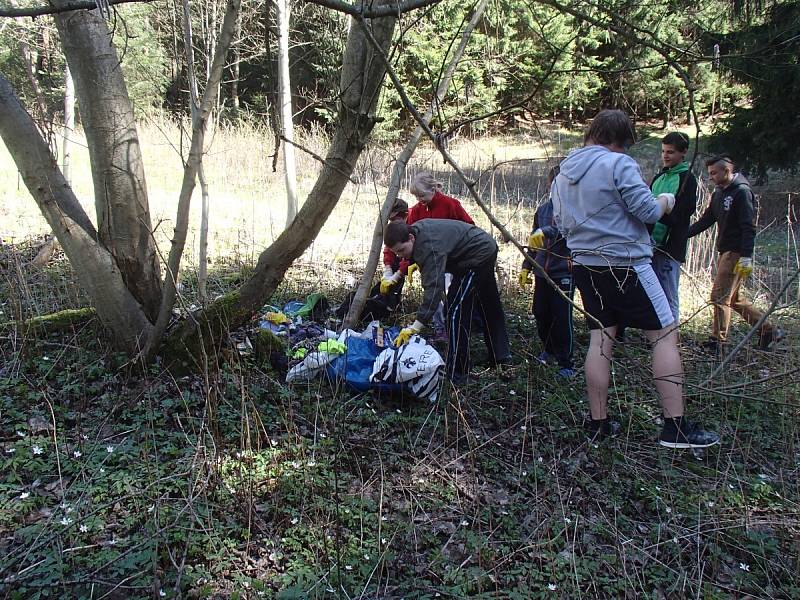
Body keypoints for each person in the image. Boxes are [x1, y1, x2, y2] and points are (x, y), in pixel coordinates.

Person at [551, 109, 719, 449]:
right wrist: (666, 200)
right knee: (664, 336)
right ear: (619, 141)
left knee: (601, 339)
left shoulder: (562, 174)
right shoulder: (618, 164)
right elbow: (647, 212)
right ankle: (675, 427)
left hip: (585, 265)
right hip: (626, 263)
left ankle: (598, 422)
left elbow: (559, 222)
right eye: (626, 144)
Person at [384, 219, 510, 384]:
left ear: (411, 238)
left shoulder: (428, 247)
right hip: (481, 246)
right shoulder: (417, 231)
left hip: (477, 256)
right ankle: (500, 356)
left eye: (402, 250)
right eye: (397, 253)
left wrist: (416, 326)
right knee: (488, 304)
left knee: (455, 311)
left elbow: (434, 288)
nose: (401, 256)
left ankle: (458, 371)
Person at [687, 155, 783, 352]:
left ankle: (718, 342)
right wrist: (681, 235)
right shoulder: (719, 193)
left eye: (714, 173)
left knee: (719, 297)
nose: (711, 177)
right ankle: (768, 330)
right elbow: (706, 220)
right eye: (709, 173)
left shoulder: (741, 192)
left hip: (736, 252)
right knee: (734, 299)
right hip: (724, 251)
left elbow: (749, 227)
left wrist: (746, 256)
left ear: (727, 171)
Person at [381, 172, 475, 339]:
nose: (420, 200)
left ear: (433, 189)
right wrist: (395, 273)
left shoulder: (450, 204)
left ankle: (460, 329)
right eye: (416, 197)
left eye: (422, 195)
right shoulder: (416, 211)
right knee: (433, 293)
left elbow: (469, 229)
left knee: (448, 294)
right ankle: (441, 329)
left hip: (454, 259)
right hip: (430, 261)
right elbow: (404, 242)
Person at [519, 166, 575, 379]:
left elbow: (567, 231)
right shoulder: (542, 210)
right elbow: (533, 241)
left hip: (564, 271)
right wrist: (527, 266)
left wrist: (547, 231)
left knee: (562, 317)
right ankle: (548, 349)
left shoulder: (574, 209)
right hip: (543, 271)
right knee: (541, 313)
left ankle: (566, 361)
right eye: (554, 185)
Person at [648, 132, 698, 324]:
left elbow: (682, 215)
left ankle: (670, 333)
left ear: (683, 153)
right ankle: (656, 329)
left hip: (670, 247)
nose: (666, 156)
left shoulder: (687, 179)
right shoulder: (659, 177)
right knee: (654, 292)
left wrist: (663, 210)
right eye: (663, 151)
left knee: (669, 294)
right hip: (651, 244)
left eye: (671, 152)